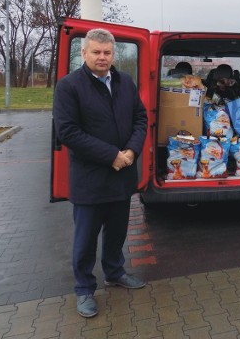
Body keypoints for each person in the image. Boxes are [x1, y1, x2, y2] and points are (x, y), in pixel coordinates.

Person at [53, 28, 149, 318]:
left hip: (122, 176)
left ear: (113, 54)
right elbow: (68, 132)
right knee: (85, 239)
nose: (102, 57)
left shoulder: (125, 82)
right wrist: (111, 156)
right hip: (90, 179)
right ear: (84, 53)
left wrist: (131, 152)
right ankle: (84, 289)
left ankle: (115, 272)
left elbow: (140, 119)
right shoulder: (69, 86)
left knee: (117, 232)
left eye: (107, 52)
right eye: (96, 52)